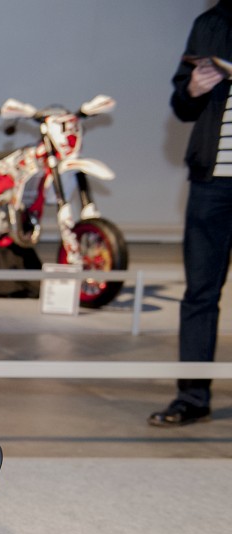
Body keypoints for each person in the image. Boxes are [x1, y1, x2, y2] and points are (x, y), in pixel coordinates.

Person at [148, 0, 232, 427]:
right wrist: (194, 88)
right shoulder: (211, 23)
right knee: (200, 293)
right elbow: (182, 104)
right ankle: (192, 396)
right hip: (211, 180)